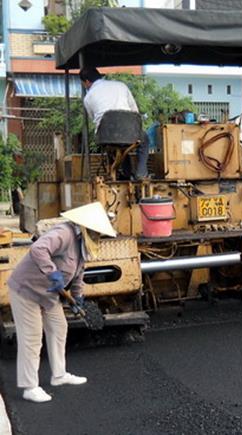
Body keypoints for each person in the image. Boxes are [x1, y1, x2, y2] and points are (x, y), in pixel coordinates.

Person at [7, 202, 117, 402]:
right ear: (88, 226)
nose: (99, 235)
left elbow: (78, 274)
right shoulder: (65, 233)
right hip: (26, 290)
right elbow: (38, 249)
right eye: (98, 231)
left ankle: (59, 375)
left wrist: (77, 298)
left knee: (59, 327)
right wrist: (53, 273)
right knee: (31, 338)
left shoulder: (84, 243)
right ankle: (29, 387)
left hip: (49, 295)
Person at [79, 67, 149, 179]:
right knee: (144, 139)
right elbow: (135, 111)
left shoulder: (88, 97)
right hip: (129, 132)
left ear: (86, 81)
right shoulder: (121, 85)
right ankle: (141, 173)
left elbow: (95, 119)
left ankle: (124, 174)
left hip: (106, 136)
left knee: (116, 145)